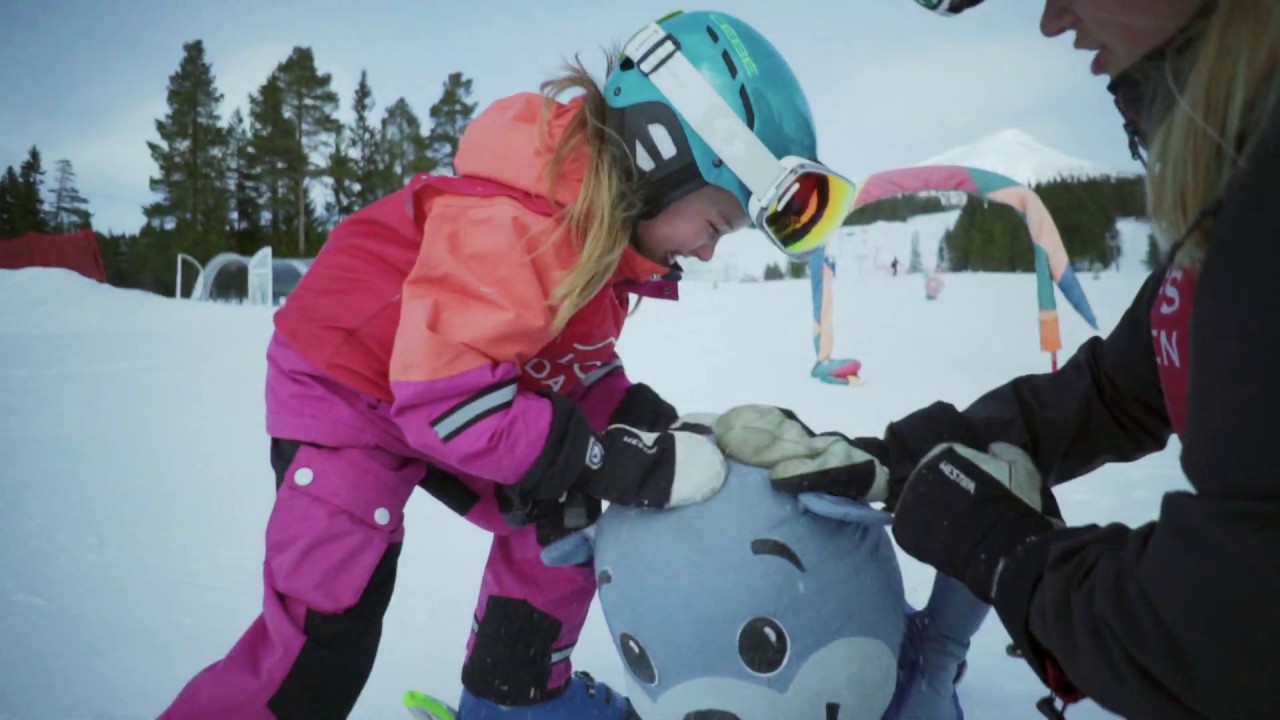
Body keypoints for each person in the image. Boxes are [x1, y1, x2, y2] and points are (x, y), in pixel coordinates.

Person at [159, 9, 854, 720]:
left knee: (563, 512)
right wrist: (598, 457)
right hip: (347, 388)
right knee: (327, 623)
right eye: (714, 225)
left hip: (454, 389)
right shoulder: (519, 223)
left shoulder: (607, 245)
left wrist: (650, 426)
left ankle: (514, 698)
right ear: (662, 157)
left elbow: (561, 369)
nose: (707, 252)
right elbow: (444, 399)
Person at [717, 1, 1280, 718]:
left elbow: (1232, 628)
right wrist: (898, 457)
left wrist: (1012, 556)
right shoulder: (1240, 187)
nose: (1052, 19)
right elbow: (1114, 391)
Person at [808, 244, 863, 384]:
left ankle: (823, 359)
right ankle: (822, 360)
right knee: (823, 309)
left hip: (821, 254)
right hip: (819, 252)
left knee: (824, 306)